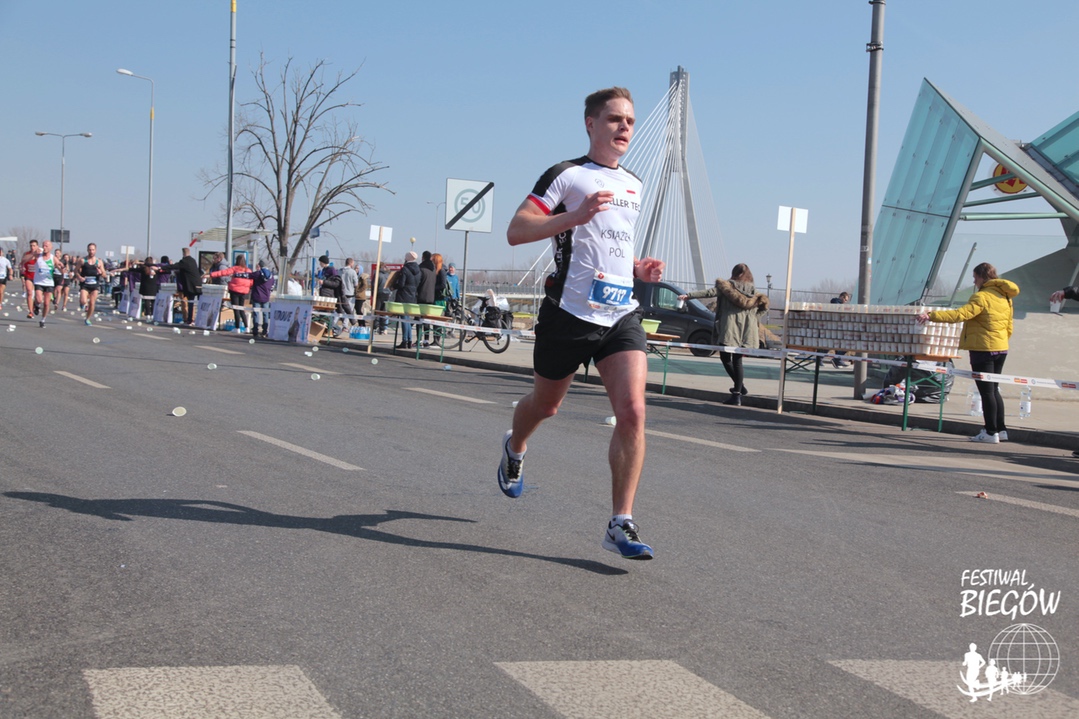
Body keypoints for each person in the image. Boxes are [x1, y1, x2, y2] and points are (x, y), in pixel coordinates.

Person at [499, 86, 665, 560]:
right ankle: (515, 446)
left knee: (633, 412)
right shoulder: (566, 175)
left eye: (630, 121)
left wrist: (637, 268)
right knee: (545, 406)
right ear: (591, 124)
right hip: (568, 315)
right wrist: (574, 215)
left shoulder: (634, 183)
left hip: (619, 314)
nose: (625, 127)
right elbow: (517, 230)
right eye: (614, 119)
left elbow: (610, 244)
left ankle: (620, 522)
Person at [917, 262, 1019, 444]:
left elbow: (960, 314)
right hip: (1001, 347)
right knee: (994, 389)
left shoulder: (981, 297)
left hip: (983, 349)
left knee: (986, 392)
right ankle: (1001, 429)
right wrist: (1002, 341)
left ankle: (990, 432)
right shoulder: (1005, 296)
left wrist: (931, 315)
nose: (974, 282)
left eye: (975, 278)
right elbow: (1009, 325)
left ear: (982, 277)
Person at [678, 264, 769, 406]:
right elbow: (764, 308)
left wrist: (688, 296)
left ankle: (738, 391)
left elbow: (709, 293)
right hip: (746, 331)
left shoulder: (726, 288)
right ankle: (738, 390)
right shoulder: (754, 292)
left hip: (729, 328)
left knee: (725, 358)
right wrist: (753, 319)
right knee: (738, 361)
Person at [208, 255, 256, 332]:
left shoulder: (235, 268)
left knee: (236, 309)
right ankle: (247, 327)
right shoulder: (248, 270)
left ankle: (237, 328)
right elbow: (251, 282)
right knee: (241, 308)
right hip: (244, 292)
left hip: (234, 290)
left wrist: (211, 274)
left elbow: (223, 272)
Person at [158, 247, 203, 325]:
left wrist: (161, 267)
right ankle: (195, 319)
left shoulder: (184, 261)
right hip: (198, 284)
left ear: (183, 254)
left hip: (190, 285)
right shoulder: (193, 260)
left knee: (190, 302)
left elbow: (174, 266)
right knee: (196, 302)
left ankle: (190, 319)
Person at [393, 251, 421, 348]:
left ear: (407, 258)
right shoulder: (418, 270)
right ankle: (409, 340)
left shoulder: (405, 269)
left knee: (404, 318)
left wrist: (394, 285)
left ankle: (405, 340)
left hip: (403, 295)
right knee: (408, 318)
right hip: (413, 295)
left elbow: (401, 284)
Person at [75, 243, 108, 325]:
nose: (91, 251)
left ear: (95, 250)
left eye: (93, 250)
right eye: (90, 250)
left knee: (92, 303)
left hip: (94, 285)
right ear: (87, 250)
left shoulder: (99, 261)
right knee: (83, 301)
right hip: (85, 284)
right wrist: (79, 277)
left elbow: (104, 275)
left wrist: (101, 273)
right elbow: (75, 270)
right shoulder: (82, 260)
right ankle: (82, 303)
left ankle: (88, 318)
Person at [32, 240, 58, 327]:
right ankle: (37, 305)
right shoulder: (38, 256)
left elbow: (59, 266)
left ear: (51, 247)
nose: (44, 247)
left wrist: (63, 269)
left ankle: (43, 320)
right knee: (39, 299)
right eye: (43, 246)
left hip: (49, 283)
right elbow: (25, 259)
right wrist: (34, 253)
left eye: (47, 246)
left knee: (46, 304)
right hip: (38, 282)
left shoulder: (53, 258)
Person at [249, 260, 275, 337]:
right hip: (266, 297)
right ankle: (265, 331)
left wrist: (236, 274)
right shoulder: (271, 276)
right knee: (265, 314)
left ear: (260, 266)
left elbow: (248, 275)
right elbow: (272, 287)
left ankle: (255, 330)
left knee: (256, 313)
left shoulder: (258, 274)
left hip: (257, 296)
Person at [830, 291, 852, 367]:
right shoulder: (836, 303)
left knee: (839, 345)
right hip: (835, 328)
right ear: (842, 297)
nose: (845, 302)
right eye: (845, 300)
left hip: (838, 328)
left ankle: (837, 359)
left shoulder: (839, 304)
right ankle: (837, 359)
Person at [339, 257, 360, 331]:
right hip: (350, 293)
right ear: (351, 263)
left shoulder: (340, 271)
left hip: (341, 293)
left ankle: (333, 324)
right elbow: (356, 284)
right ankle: (345, 325)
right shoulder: (353, 272)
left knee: (339, 309)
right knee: (349, 310)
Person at [20, 240, 40, 319]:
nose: (32, 247)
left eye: (34, 245)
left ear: (37, 246)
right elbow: (22, 262)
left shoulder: (41, 254)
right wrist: (22, 268)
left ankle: (36, 304)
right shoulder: (27, 254)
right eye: (31, 245)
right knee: (29, 292)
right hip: (29, 275)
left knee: (38, 297)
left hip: (38, 277)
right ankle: (31, 312)